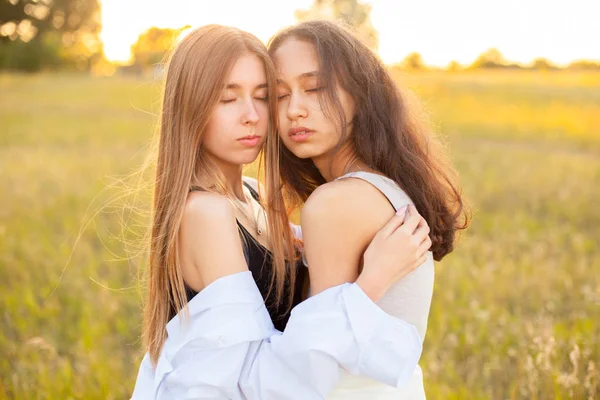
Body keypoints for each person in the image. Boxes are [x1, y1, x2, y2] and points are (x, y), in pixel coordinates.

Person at [131, 24, 431, 399]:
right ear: (189, 107)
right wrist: (372, 281)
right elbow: (256, 382)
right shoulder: (204, 214)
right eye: (228, 99)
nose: (252, 116)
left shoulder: (253, 197)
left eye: (262, 97)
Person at [269, 20, 469, 399]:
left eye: (314, 88)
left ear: (360, 94)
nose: (295, 109)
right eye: (279, 95)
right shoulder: (383, 189)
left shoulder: (335, 204)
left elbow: (313, 371)